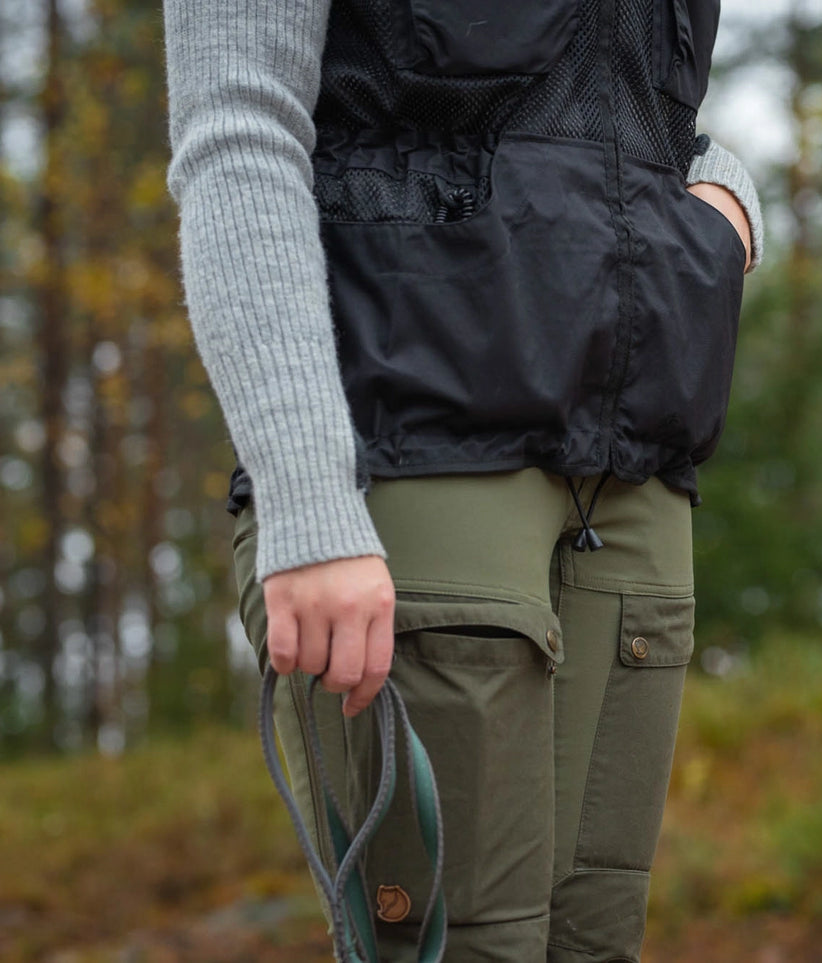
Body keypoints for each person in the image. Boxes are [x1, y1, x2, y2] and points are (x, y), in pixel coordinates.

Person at [163, 0, 762, 959]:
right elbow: (238, 123)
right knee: (461, 948)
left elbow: (625, 98)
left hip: (635, 460)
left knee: (595, 940)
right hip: (412, 446)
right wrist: (309, 496)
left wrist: (721, 209)